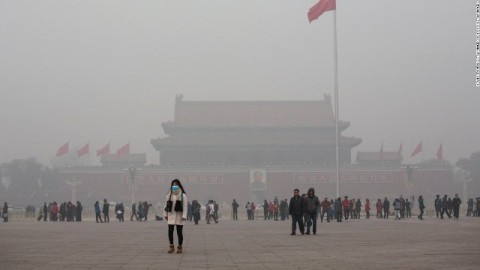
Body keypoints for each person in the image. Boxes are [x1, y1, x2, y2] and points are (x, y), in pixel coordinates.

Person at [164, 179, 188, 254]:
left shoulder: (183, 195)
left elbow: (185, 206)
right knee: (170, 231)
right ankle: (171, 247)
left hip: (179, 216)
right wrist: (165, 214)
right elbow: (166, 205)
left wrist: (184, 215)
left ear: (179, 185)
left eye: (176, 185)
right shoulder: (169, 194)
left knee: (179, 232)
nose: (174, 186)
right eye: (173, 185)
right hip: (171, 215)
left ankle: (180, 247)